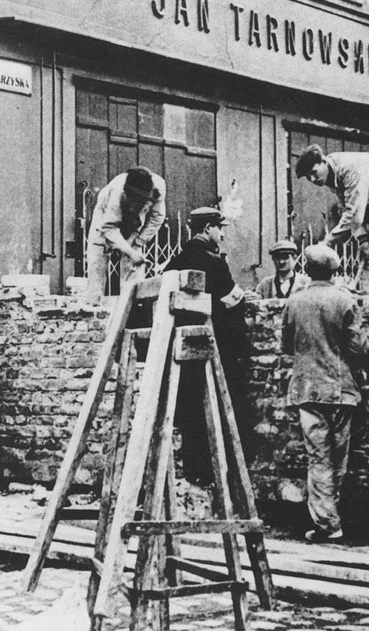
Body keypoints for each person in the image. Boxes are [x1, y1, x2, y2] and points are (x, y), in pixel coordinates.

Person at [281, 243, 369, 542]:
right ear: (335, 272)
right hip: (341, 390)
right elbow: (358, 348)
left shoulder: (294, 302)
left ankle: (327, 524)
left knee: (318, 458)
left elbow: (286, 346)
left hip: (308, 390)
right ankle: (330, 521)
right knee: (339, 459)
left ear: (306, 270)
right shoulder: (344, 300)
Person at [165, 207, 248, 485]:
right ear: (208, 228)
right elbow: (232, 300)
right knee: (218, 407)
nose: (222, 234)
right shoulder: (214, 261)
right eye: (219, 228)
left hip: (183, 347)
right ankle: (217, 473)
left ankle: (193, 472)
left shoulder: (175, 262)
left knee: (189, 409)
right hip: (216, 347)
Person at [294, 145, 369, 293]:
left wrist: (328, 241)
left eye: (314, 172)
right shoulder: (331, 177)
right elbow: (351, 206)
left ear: (324, 162)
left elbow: (354, 213)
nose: (313, 179)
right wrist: (363, 239)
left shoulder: (348, 167)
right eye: (308, 177)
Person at [85, 166, 166, 302]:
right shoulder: (115, 193)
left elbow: (157, 217)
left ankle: (134, 308)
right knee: (97, 263)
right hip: (106, 219)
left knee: (133, 266)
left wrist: (138, 241)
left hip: (135, 225)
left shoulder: (158, 187)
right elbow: (109, 227)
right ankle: (93, 306)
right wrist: (129, 251)